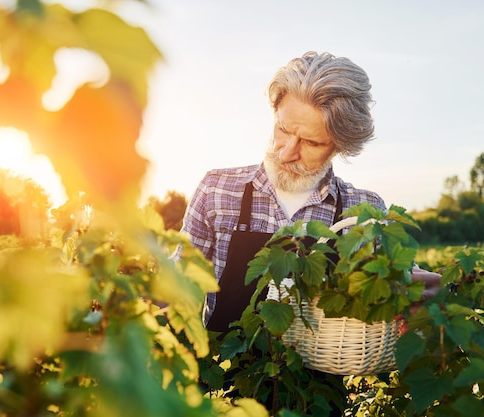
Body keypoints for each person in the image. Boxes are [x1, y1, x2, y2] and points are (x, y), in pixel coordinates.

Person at [180, 51, 441, 333]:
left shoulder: (364, 210)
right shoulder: (217, 190)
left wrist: (420, 297)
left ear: (340, 146)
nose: (287, 153)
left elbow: (402, 288)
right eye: (282, 129)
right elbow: (174, 287)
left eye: (311, 143)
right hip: (225, 371)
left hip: (322, 375)